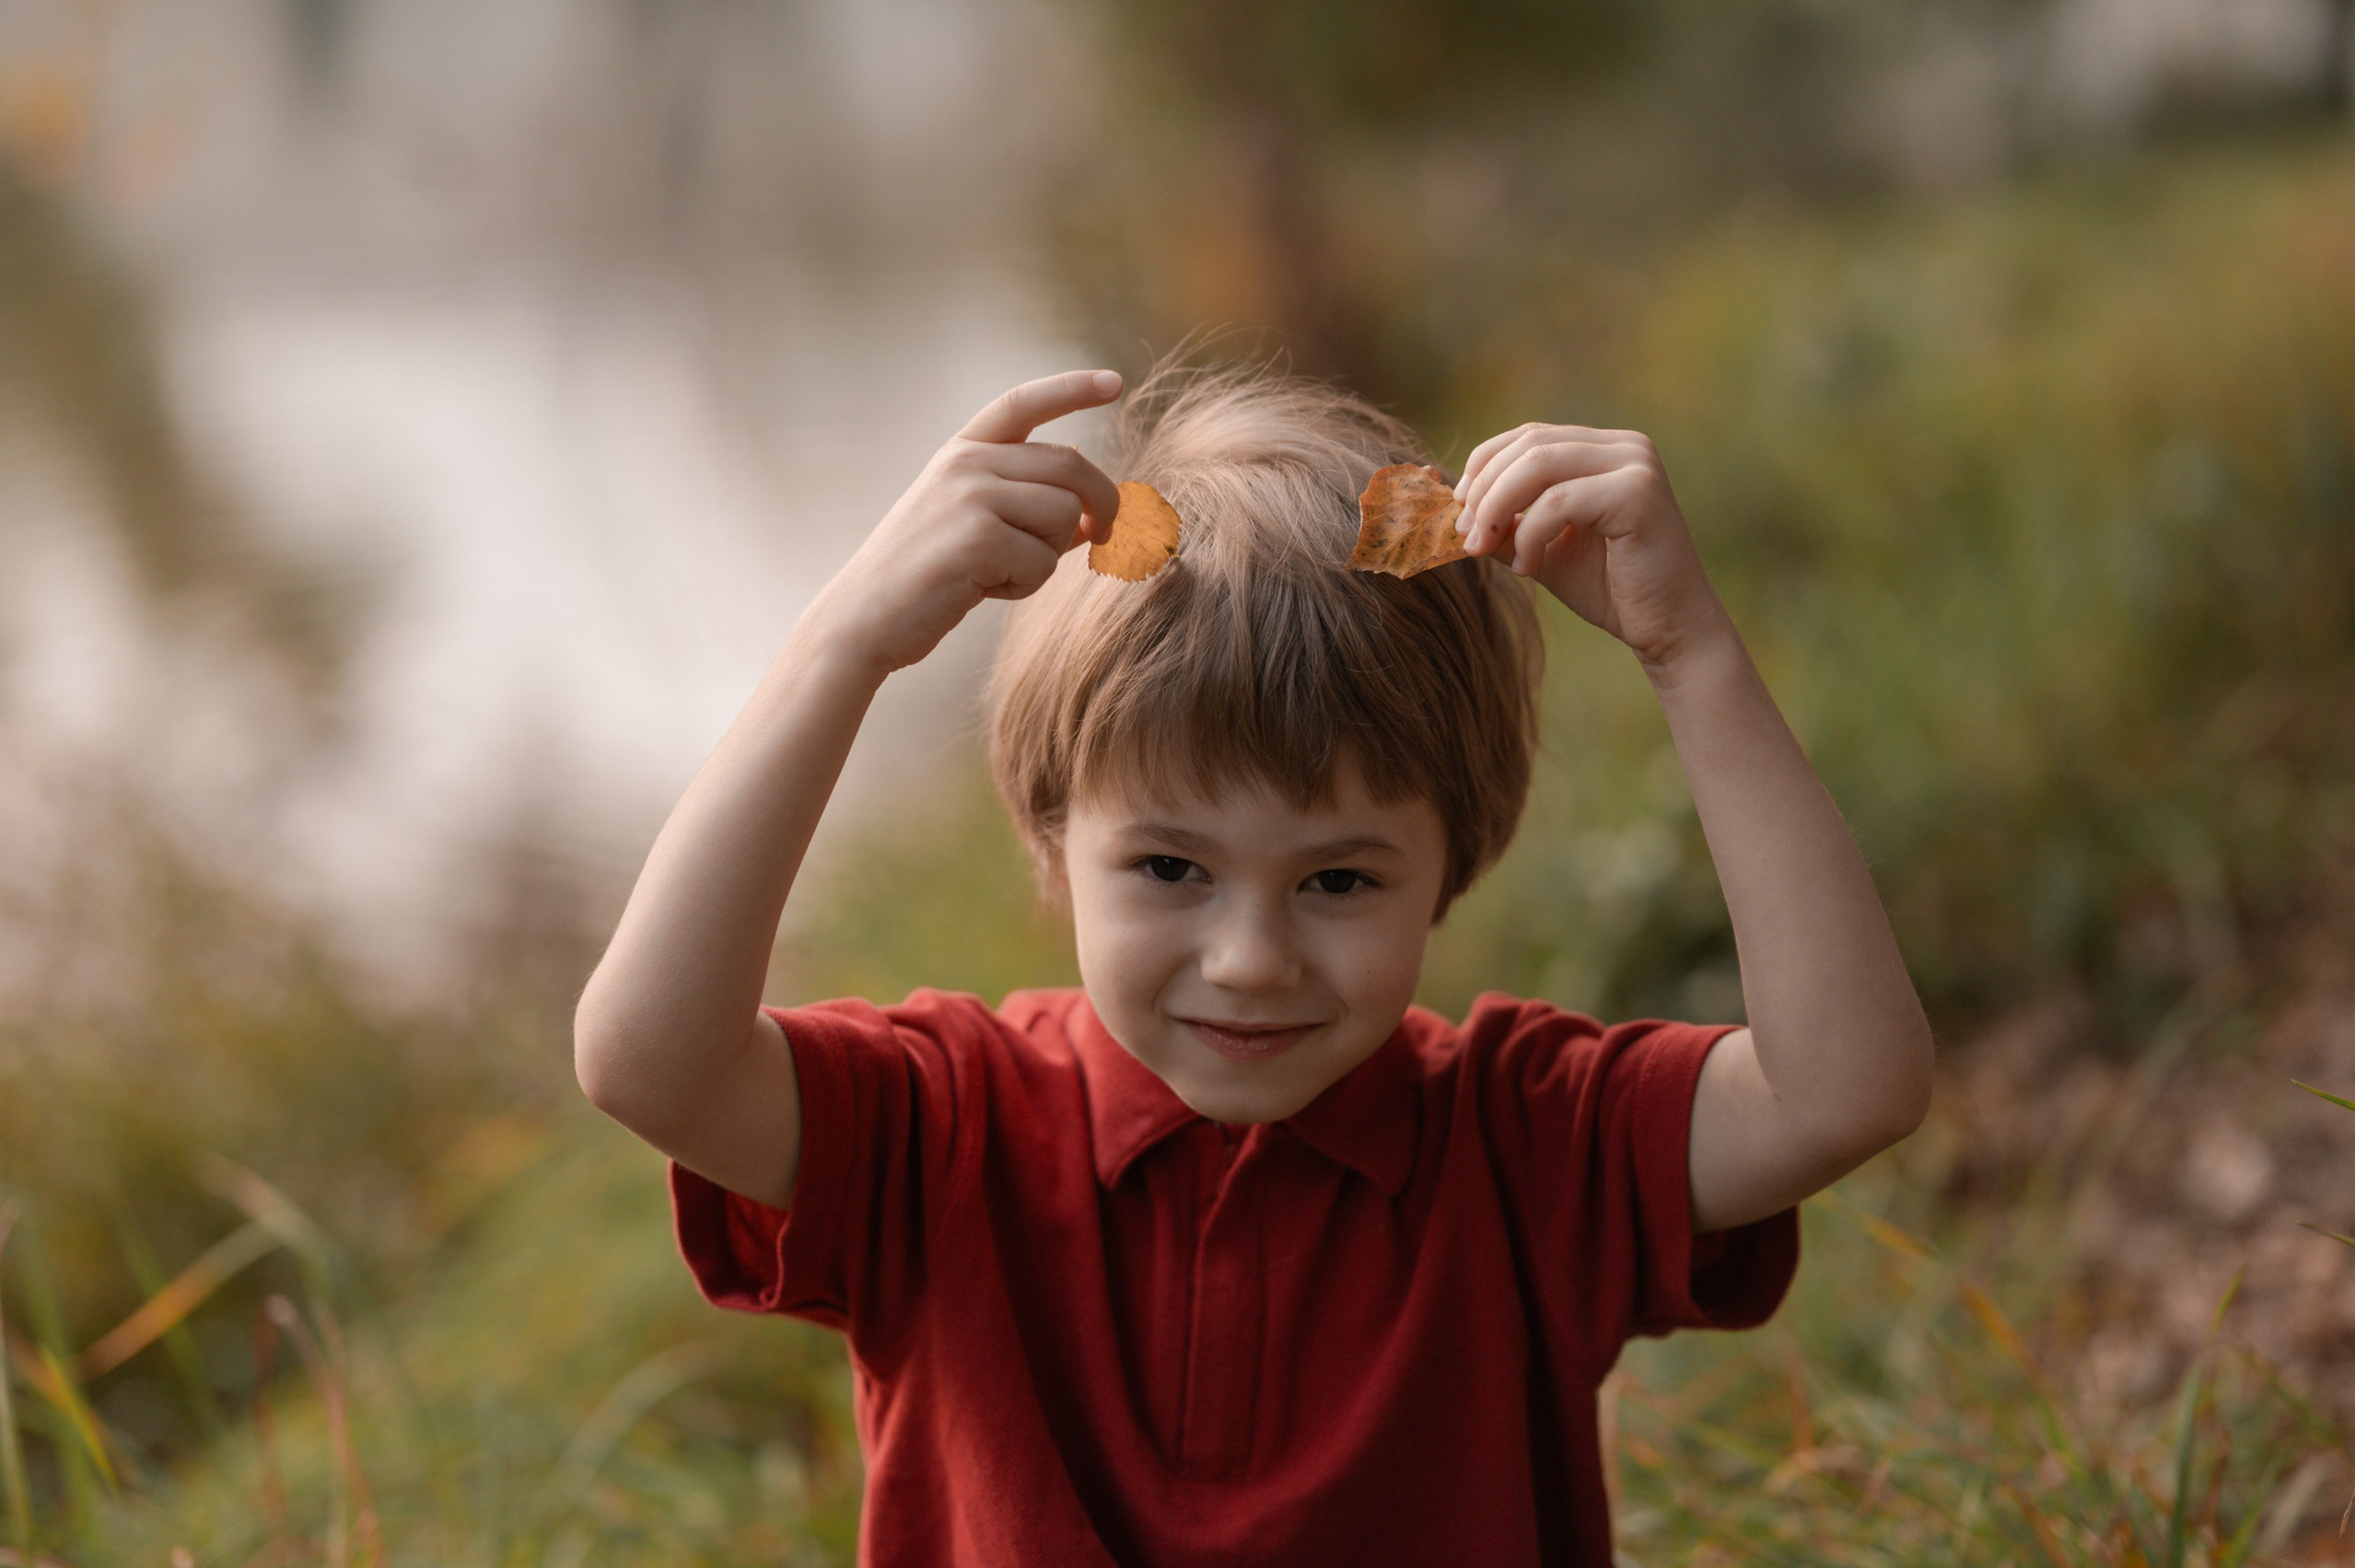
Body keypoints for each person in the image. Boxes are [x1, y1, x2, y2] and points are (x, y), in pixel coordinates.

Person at [573, 359, 1935, 1566]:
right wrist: (842, 646)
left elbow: (1846, 1088)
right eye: (1171, 868)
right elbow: (650, 1059)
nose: (1249, 959)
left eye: (1337, 880)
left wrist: (1688, 652)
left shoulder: (1525, 1148)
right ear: (1054, 839)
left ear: (1452, 861)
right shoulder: (946, 1128)